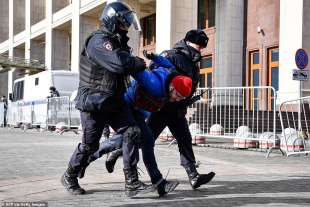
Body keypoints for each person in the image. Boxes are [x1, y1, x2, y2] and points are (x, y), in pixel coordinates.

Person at [61, 1, 152, 197]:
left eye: (127, 23)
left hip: (114, 101)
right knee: (90, 146)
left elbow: (123, 64)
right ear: (113, 21)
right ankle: (70, 175)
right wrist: (137, 62)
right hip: (94, 101)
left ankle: (132, 182)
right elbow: (119, 64)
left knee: (132, 132)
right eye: (123, 22)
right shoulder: (99, 41)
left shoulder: (117, 43)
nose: (126, 26)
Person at [106, 29, 216, 190]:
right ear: (188, 42)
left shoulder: (193, 63)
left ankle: (193, 176)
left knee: (184, 139)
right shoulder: (171, 55)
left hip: (177, 110)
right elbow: (153, 71)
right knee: (145, 140)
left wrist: (187, 98)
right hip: (161, 109)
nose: (200, 49)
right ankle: (116, 150)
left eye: (202, 47)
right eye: (198, 45)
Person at [82, 61, 192, 196]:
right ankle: (87, 160)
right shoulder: (154, 84)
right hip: (126, 106)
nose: (176, 100)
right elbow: (134, 71)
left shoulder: (172, 80)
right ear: (172, 87)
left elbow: (169, 64)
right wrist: (134, 62)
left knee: (147, 140)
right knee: (133, 139)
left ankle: (158, 183)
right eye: (177, 96)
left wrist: (154, 57)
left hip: (137, 111)